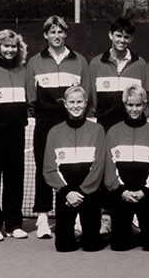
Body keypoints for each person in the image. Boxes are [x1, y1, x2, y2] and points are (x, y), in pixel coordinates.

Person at [25, 15, 89, 239]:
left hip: (72, 124)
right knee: (45, 168)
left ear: (66, 34)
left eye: (60, 31)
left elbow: (85, 94)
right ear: (45, 35)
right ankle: (42, 218)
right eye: (52, 32)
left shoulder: (79, 61)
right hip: (44, 124)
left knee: (75, 167)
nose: (57, 36)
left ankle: (79, 216)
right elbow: (30, 97)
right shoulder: (34, 62)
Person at [43, 86, 106, 252]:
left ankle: (88, 233)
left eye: (79, 102)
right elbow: (49, 168)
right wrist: (67, 192)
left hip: (90, 194)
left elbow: (99, 165)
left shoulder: (97, 130)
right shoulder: (55, 132)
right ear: (65, 104)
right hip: (66, 194)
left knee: (92, 245)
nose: (76, 106)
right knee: (64, 246)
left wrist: (83, 192)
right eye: (72, 102)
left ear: (85, 103)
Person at [104, 85, 149, 251]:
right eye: (130, 105)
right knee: (119, 245)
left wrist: (145, 192)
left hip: (145, 195)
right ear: (124, 105)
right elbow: (109, 166)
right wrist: (120, 191)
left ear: (145, 105)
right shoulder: (113, 131)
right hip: (122, 195)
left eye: (138, 105)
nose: (134, 109)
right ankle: (128, 228)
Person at [0, 29, 29, 241]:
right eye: (6, 46)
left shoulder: (23, 71)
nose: (10, 50)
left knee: (15, 179)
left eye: (14, 46)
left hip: (16, 133)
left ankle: (13, 223)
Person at [88, 18, 147, 132]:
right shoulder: (96, 63)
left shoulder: (140, 64)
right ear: (111, 35)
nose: (122, 40)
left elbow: (145, 97)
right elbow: (92, 97)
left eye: (126, 37)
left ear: (131, 38)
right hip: (104, 124)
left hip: (131, 126)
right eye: (118, 36)